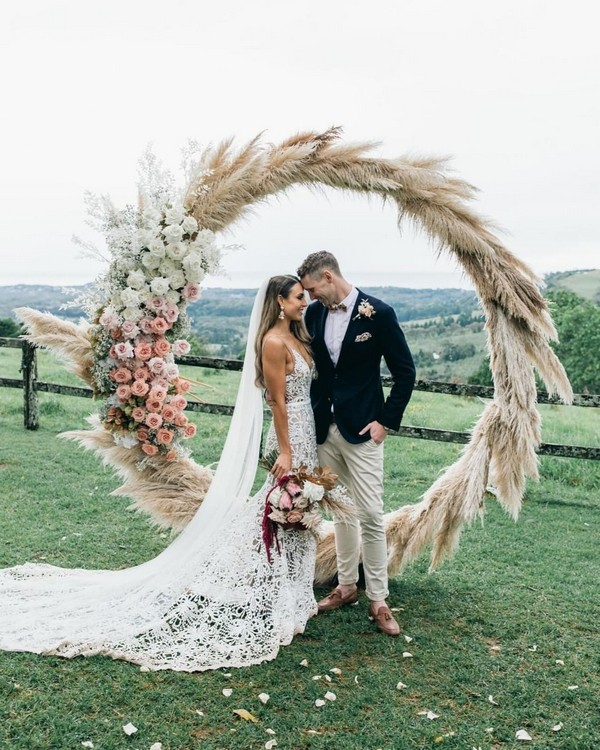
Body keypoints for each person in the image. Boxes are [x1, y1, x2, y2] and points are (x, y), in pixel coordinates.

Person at [0, 275, 319, 671]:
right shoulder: (272, 342)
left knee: (299, 510)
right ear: (280, 301)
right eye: (298, 297)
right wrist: (286, 450)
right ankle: (275, 595)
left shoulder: (296, 337)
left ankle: (294, 594)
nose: (304, 302)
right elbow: (276, 400)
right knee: (285, 510)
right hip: (291, 434)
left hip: (308, 430)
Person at [297, 251, 416, 637]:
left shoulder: (378, 313)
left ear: (329, 277)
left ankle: (379, 600)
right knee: (341, 512)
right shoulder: (314, 315)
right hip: (323, 430)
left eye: (314, 289)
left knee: (369, 513)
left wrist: (386, 422)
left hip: (363, 430)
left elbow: (405, 372)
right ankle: (346, 586)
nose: (311, 298)